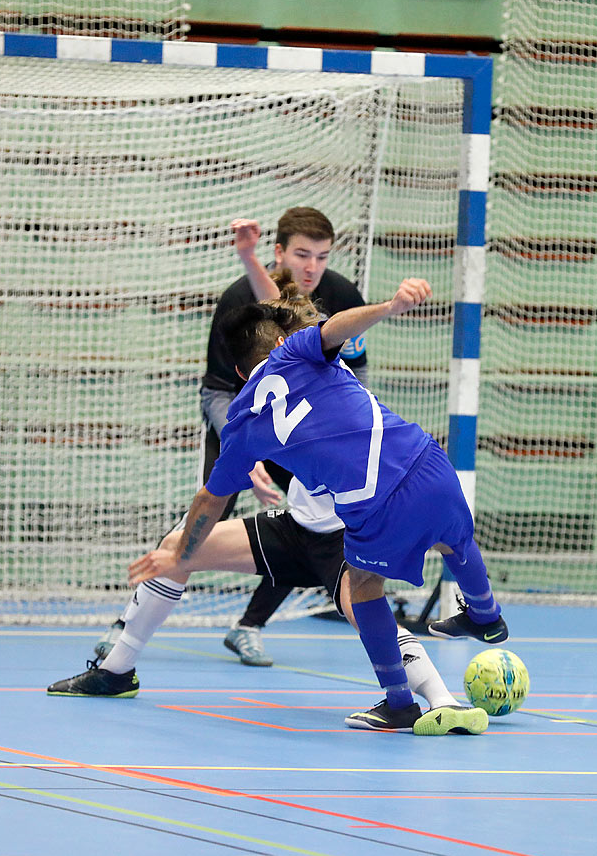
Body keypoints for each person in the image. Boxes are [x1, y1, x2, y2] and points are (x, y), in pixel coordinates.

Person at [153, 276, 508, 732]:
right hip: (423, 457)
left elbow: (210, 499)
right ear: (282, 341)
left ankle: (399, 702)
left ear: (240, 374)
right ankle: (485, 614)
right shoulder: (300, 349)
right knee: (454, 537)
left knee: (363, 588)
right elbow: (335, 327)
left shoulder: (240, 423)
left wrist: (180, 551)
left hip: (374, 503)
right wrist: (390, 305)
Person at [45, 476, 489, 735]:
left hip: (344, 536)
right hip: (292, 528)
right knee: (178, 545)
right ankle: (116, 672)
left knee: (365, 610)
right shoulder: (271, 394)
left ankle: (441, 701)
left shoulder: (343, 394)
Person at [200, 208, 369, 667]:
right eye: (301, 255)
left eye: (321, 256)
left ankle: (248, 626)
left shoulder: (342, 295)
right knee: (207, 514)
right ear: (279, 253)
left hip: (303, 430)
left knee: (304, 521)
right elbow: (217, 389)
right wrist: (245, 452)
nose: (312, 267)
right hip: (242, 420)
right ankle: (132, 618)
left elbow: (358, 374)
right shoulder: (240, 299)